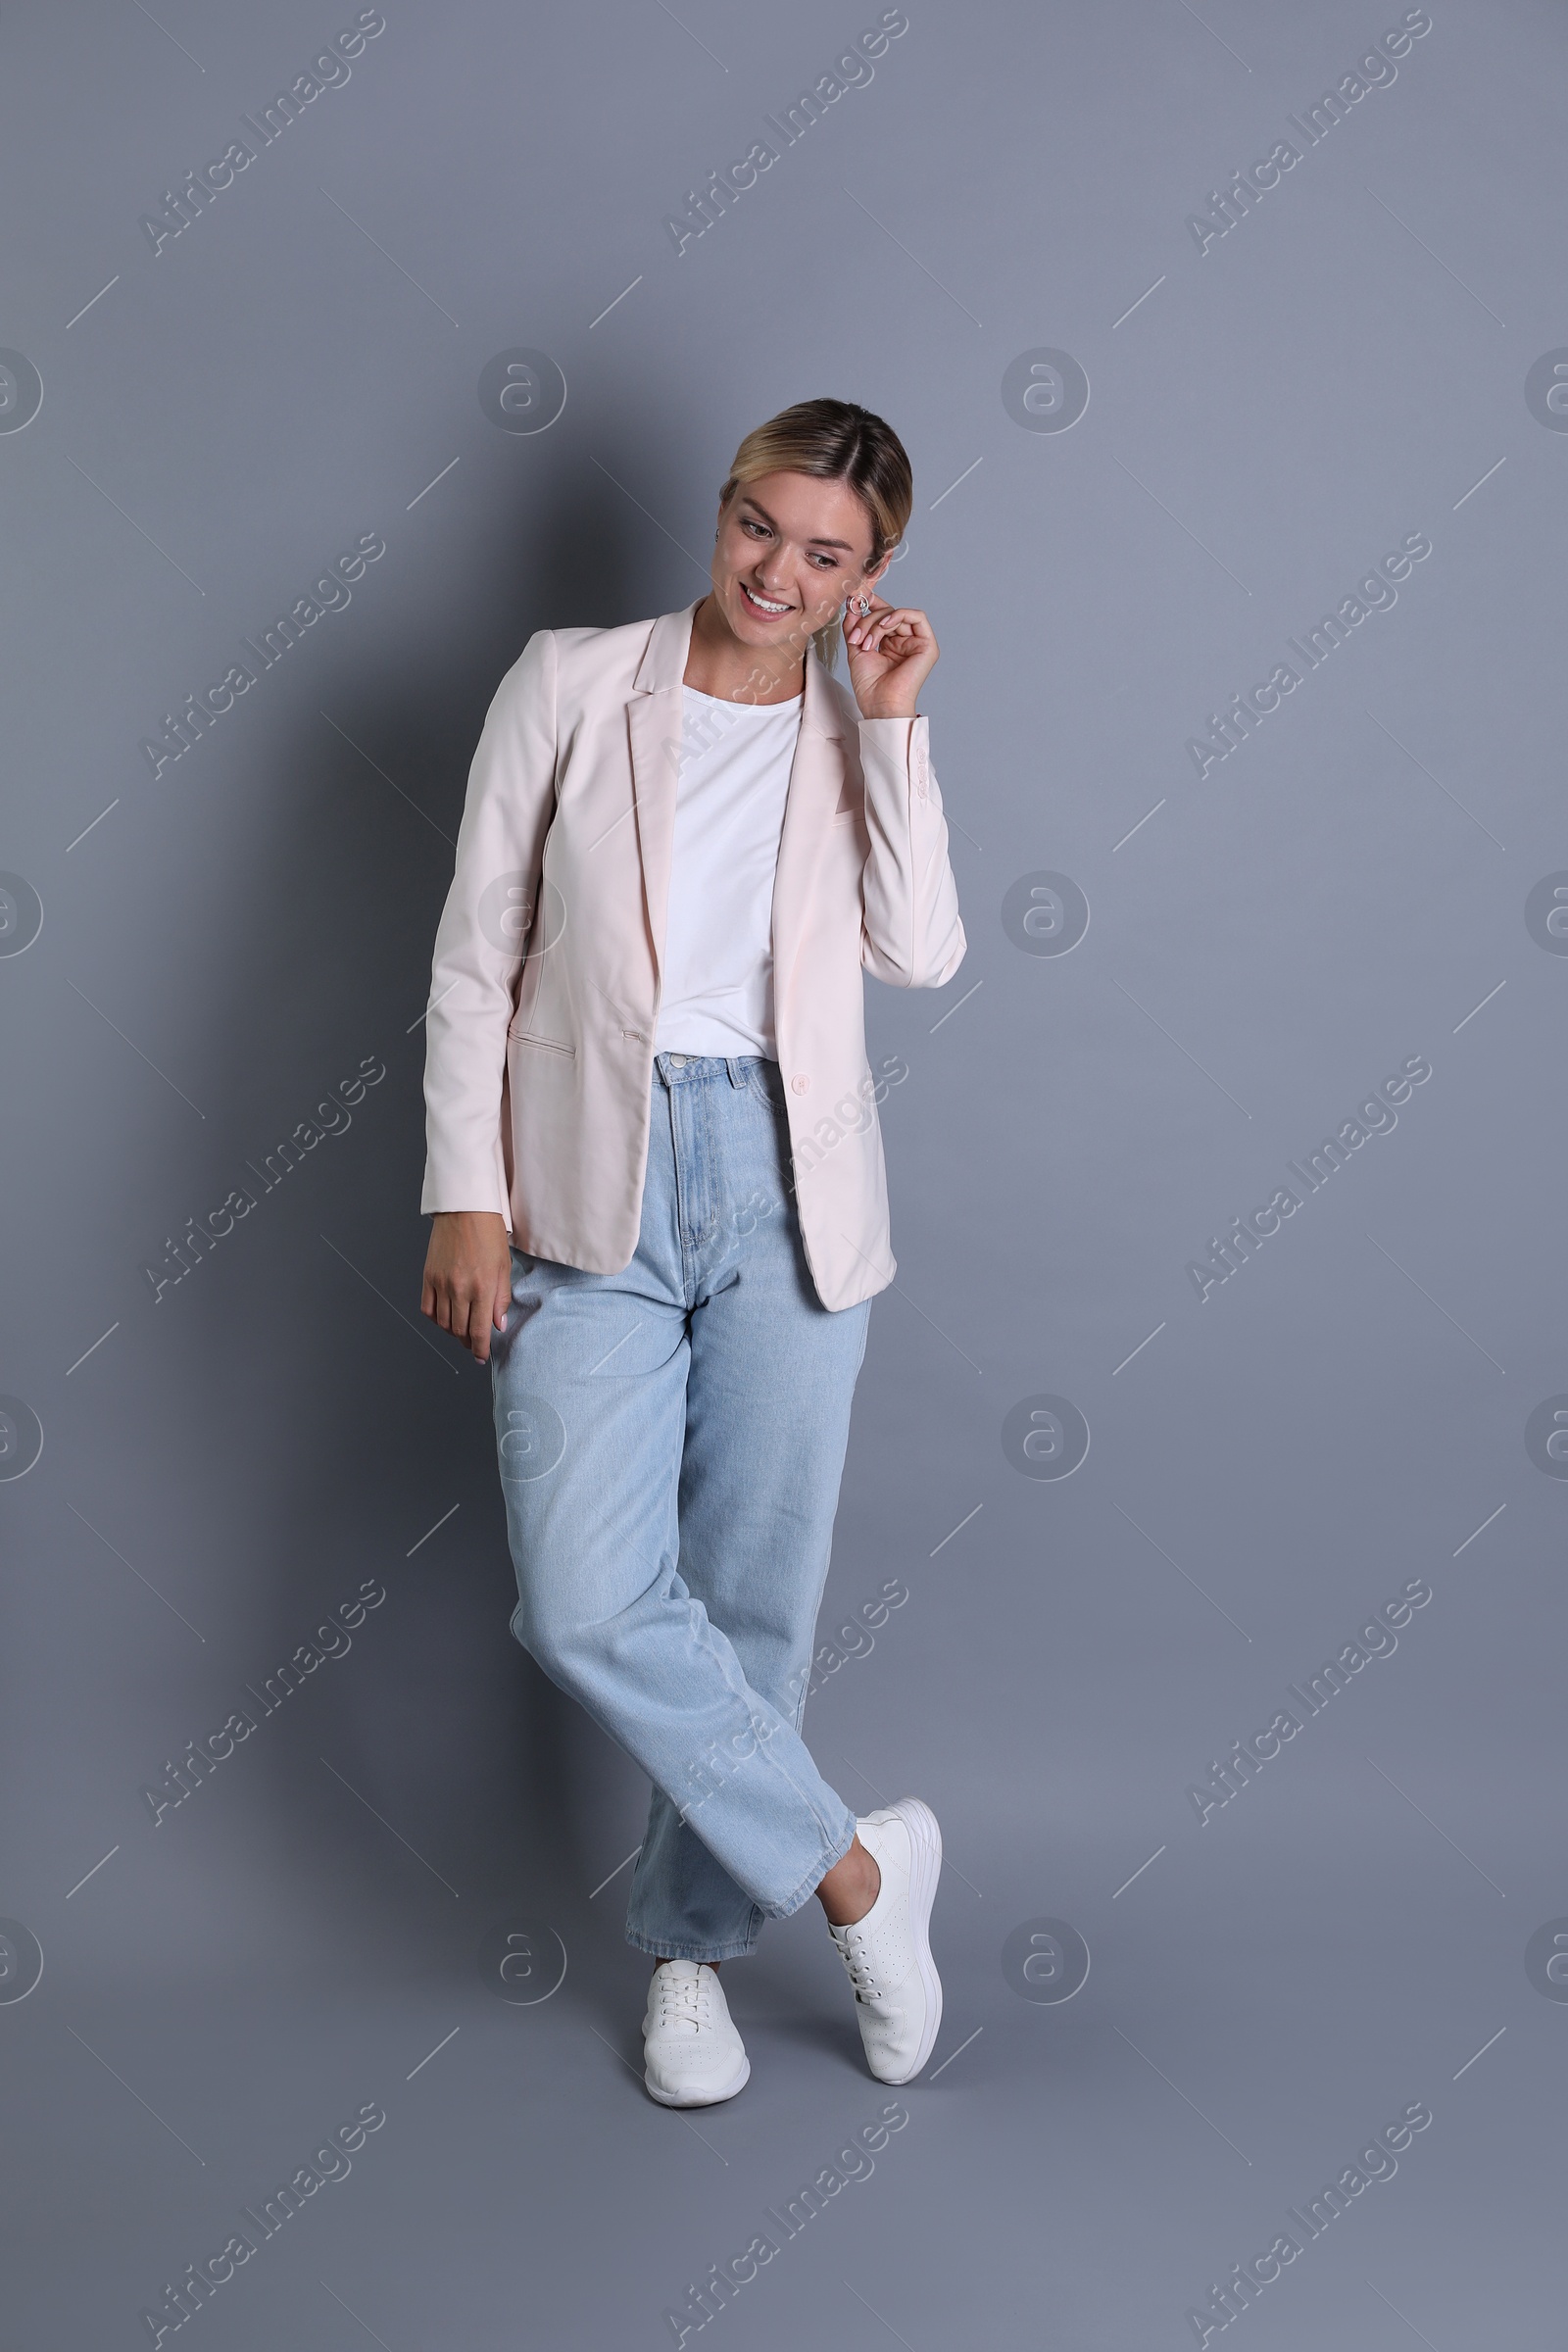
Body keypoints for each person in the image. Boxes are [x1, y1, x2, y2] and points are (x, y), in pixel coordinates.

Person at [418, 396, 965, 2106]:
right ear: (721, 508)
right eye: (760, 527)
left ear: (870, 575)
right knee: (586, 1600)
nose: (778, 573)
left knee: (750, 1606)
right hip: (592, 1171)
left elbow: (922, 949)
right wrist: (465, 1190)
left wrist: (892, 732)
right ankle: (857, 1874)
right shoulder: (571, 681)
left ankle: (689, 1961)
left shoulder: (850, 715)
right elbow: (473, 954)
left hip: (793, 1189)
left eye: (827, 555)